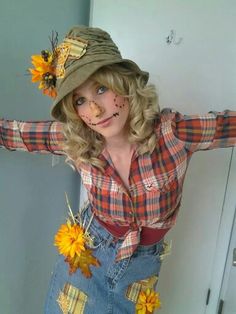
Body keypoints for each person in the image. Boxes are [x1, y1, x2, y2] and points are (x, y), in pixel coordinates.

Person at [0, 25, 236, 314]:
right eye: (80, 100)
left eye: (101, 88)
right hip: (84, 261)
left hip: (142, 271)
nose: (95, 111)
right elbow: (17, 134)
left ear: (125, 84)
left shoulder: (172, 133)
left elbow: (228, 124)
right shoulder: (79, 140)